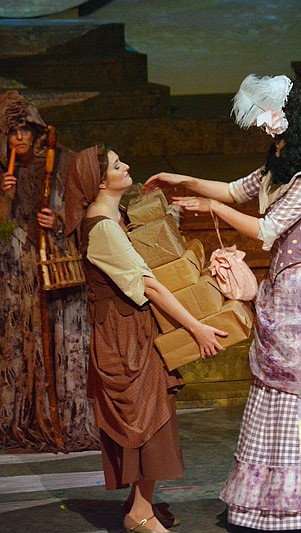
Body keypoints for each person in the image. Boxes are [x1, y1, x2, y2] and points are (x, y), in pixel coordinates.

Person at [144, 74, 301, 532]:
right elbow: (234, 190)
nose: (267, 135)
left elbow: (266, 229)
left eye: (273, 127)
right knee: (275, 391)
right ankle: (269, 503)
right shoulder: (277, 170)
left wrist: (213, 212)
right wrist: (184, 179)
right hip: (284, 288)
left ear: (297, 130)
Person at [63, 146, 227, 533]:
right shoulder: (101, 227)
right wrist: (196, 327)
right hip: (122, 337)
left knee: (154, 413)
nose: (127, 167)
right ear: (100, 182)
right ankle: (139, 514)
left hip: (132, 329)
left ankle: (139, 502)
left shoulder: (113, 216)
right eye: (118, 166)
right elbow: (149, 286)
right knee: (146, 420)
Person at [0, 90, 97, 452]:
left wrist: (58, 221)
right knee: (20, 345)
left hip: (56, 270)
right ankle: (23, 417)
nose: (20, 137)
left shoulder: (63, 163)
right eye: (12, 131)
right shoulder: (3, 172)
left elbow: (90, 211)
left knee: (60, 340)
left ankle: (64, 417)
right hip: (15, 276)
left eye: (26, 129)